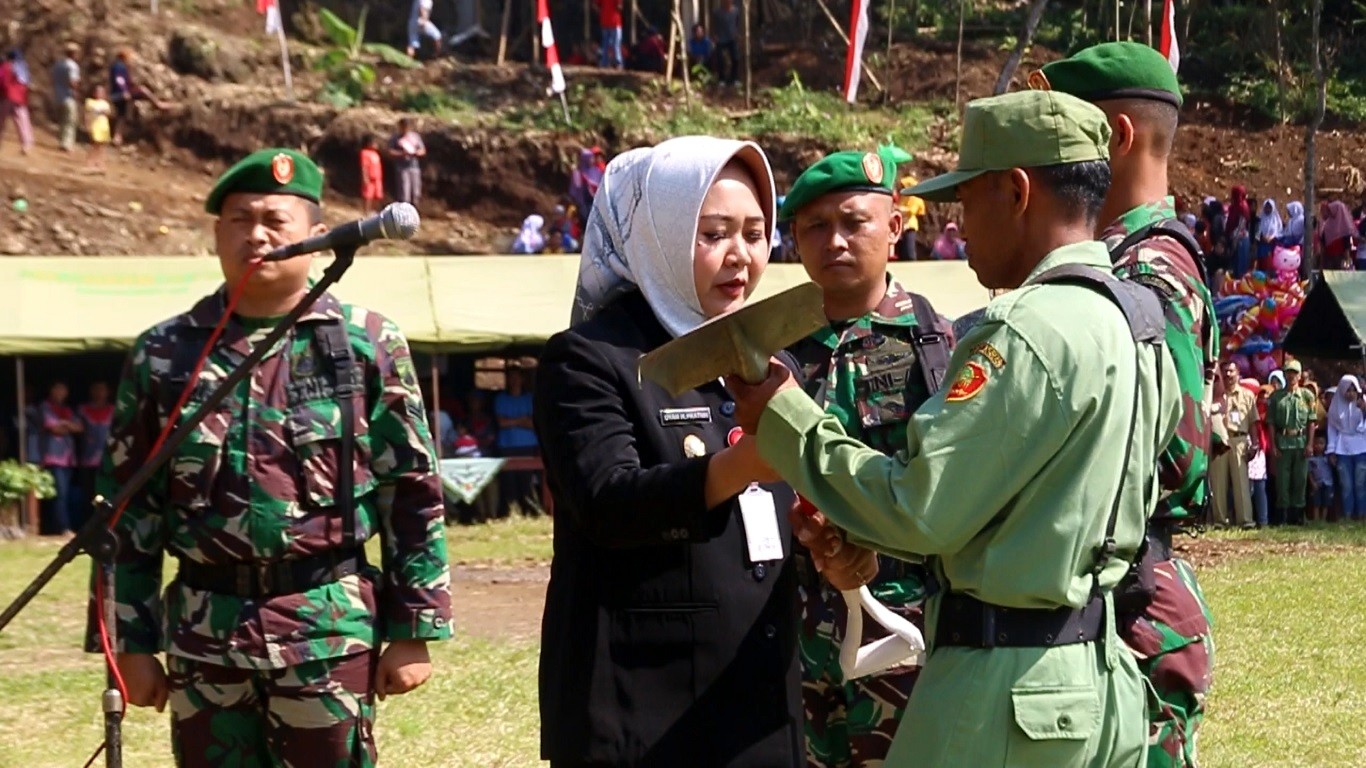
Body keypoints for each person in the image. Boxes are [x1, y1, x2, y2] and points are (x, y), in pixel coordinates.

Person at [728, 90, 1178, 768]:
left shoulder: (1022, 332)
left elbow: (919, 508)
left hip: (1004, 684)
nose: (959, 225)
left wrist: (788, 418)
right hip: (1098, 674)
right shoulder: (1140, 323)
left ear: (1017, 192)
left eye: (969, 200)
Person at [86, 148, 452, 766]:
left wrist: (414, 629)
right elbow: (128, 509)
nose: (255, 233)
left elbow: (412, 491)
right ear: (215, 234)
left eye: (274, 220)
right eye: (238, 217)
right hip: (205, 637)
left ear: (315, 236)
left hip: (327, 631)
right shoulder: (164, 354)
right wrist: (131, 642)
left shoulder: (366, 343)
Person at [535, 135, 805, 767]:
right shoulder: (589, 360)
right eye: (712, 235)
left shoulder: (771, 360)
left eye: (755, 233)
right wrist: (743, 466)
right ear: (658, 232)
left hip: (758, 706)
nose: (740, 256)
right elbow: (607, 502)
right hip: (643, 712)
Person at [1041, 41, 1219, 767]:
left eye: (1062, 130)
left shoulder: (1147, 266)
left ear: (1113, 137)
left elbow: (1177, 454)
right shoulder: (1112, 258)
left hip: (1135, 604)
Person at [778, 147, 955, 767]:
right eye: (815, 227)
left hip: (905, 638)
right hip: (794, 641)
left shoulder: (942, 346)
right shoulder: (772, 357)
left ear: (895, 227)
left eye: (854, 221)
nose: (836, 241)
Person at [1269, 359, 1318, 525]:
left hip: (1301, 442)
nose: (1291, 376)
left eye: (1294, 373)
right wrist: (1273, 445)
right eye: (1288, 372)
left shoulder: (1307, 396)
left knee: (1300, 481)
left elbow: (1312, 421)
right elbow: (1271, 423)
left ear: (1300, 375)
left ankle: (1298, 516)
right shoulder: (1276, 397)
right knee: (1282, 482)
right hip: (1283, 442)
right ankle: (1282, 516)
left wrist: (1310, 444)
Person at [1211, 360, 1256, 528]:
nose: (1228, 375)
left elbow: (1253, 422)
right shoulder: (1215, 395)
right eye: (1225, 372)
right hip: (1219, 440)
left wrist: (1255, 444)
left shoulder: (1247, 395)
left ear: (1238, 373)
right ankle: (1219, 521)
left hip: (1239, 440)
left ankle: (1245, 520)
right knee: (1218, 482)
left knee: (1241, 482)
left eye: (1231, 371)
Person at [39, 381, 82, 536]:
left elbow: (79, 428)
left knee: (66, 494)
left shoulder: (67, 409)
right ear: (51, 390)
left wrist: (64, 423)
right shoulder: (45, 407)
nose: (61, 393)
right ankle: (62, 528)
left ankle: (61, 526)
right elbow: (54, 428)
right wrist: (66, 425)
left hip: (68, 458)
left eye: (63, 390)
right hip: (53, 458)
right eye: (57, 389)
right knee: (59, 495)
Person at [494, 365, 539, 516]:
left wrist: (511, 421)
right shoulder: (501, 399)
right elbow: (501, 423)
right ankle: (509, 513)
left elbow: (534, 423)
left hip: (527, 445)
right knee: (508, 483)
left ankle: (529, 512)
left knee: (526, 482)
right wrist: (522, 420)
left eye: (516, 377)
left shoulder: (530, 398)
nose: (513, 380)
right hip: (507, 445)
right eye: (510, 377)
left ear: (522, 379)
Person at [1326, 375, 1366, 522]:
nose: (1350, 393)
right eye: (1347, 390)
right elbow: (1332, 429)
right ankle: (1348, 515)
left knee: (1360, 484)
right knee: (1346, 485)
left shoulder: (1363, 403)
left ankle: (1362, 515)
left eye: (1353, 390)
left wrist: (1364, 411)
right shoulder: (1335, 407)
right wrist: (1331, 450)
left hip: (1362, 448)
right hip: (1342, 449)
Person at [75, 381, 114, 530]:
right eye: (96, 389)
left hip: (108, 459)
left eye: (102, 389)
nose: (99, 393)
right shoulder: (82, 410)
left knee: (106, 495)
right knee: (88, 495)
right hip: (87, 460)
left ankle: (105, 524)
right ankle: (88, 525)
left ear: (108, 392)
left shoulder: (113, 410)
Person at [1246, 378, 1271, 528]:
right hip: (1244, 444)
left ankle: (1263, 520)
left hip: (1259, 449)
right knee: (1246, 487)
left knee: (1260, 486)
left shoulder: (1263, 408)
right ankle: (1247, 518)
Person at [0, 50, 33, 155]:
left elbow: (1, 80)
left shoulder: (5, 67)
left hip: (6, 96)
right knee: (22, 122)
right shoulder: (22, 68)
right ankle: (26, 145)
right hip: (20, 98)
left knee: (1, 122)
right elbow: (26, 83)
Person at [388, 118, 426, 207]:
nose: (405, 129)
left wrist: (417, 153)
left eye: (406, 126)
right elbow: (390, 151)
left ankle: (415, 210)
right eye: (403, 127)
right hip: (402, 168)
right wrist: (402, 154)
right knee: (404, 192)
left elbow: (423, 150)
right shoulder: (395, 138)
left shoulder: (415, 137)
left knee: (416, 191)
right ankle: (404, 212)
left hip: (414, 167)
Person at [51, 42, 82, 152]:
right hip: (68, 96)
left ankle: (61, 141)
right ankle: (67, 144)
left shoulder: (58, 64)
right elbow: (73, 81)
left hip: (58, 95)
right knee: (70, 121)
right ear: (73, 53)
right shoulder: (73, 66)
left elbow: (53, 79)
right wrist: (76, 92)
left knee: (61, 120)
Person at [568, 147, 604, 230]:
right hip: (583, 203)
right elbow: (575, 188)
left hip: (596, 202)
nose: (592, 160)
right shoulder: (578, 172)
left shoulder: (597, 171)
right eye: (590, 158)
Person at [1318, 200, 1356, 270]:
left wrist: (1347, 261)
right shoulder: (1327, 224)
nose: (1330, 211)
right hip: (1329, 259)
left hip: (1340, 259)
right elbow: (1322, 244)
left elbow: (1347, 246)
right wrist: (1322, 262)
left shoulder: (1345, 225)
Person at [896, 175, 927, 261]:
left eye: (903, 186)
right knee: (901, 252)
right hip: (901, 226)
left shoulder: (915, 198)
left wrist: (899, 209)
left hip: (910, 226)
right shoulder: (903, 198)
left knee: (909, 251)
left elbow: (912, 211)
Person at [712, 0, 742, 87]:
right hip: (720, 38)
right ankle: (722, 79)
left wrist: (738, 34)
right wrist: (714, 35)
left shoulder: (736, 11)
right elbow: (713, 24)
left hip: (732, 38)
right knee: (720, 59)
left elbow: (737, 23)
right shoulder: (717, 12)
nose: (727, 2)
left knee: (735, 58)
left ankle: (734, 78)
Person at [1307, 433, 1335, 523]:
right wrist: (1312, 483)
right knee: (1316, 502)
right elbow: (1309, 472)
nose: (1319, 446)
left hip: (1328, 482)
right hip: (1317, 483)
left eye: (1321, 443)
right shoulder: (1311, 459)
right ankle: (1316, 519)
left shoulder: (1328, 458)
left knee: (1326, 503)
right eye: (1316, 443)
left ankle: (1323, 520)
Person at [85, 84, 112, 172]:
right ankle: (90, 163)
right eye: (98, 92)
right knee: (94, 145)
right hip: (95, 125)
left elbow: (108, 112)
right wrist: (88, 125)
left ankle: (100, 163)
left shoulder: (105, 104)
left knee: (102, 146)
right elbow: (88, 113)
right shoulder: (90, 102)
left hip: (103, 126)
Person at [359, 133, 384, 215]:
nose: (376, 145)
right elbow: (364, 167)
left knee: (377, 195)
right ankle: (366, 212)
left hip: (377, 178)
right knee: (368, 196)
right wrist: (365, 177)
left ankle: (374, 211)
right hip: (370, 178)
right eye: (374, 143)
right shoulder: (364, 153)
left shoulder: (376, 154)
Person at [1255, 198, 1283, 269]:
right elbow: (1258, 230)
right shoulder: (1261, 218)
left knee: (1270, 263)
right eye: (1266, 207)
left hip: (1272, 244)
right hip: (1262, 243)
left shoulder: (1276, 220)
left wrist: (1271, 237)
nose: (1267, 209)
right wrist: (1262, 237)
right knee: (1262, 262)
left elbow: (1279, 231)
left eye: (1269, 207)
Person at [596, 0, 624, 69]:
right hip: (615, 23)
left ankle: (604, 63)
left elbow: (596, 5)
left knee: (605, 44)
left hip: (605, 22)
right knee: (615, 44)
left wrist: (602, 12)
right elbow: (619, 7)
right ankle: (617, 63)